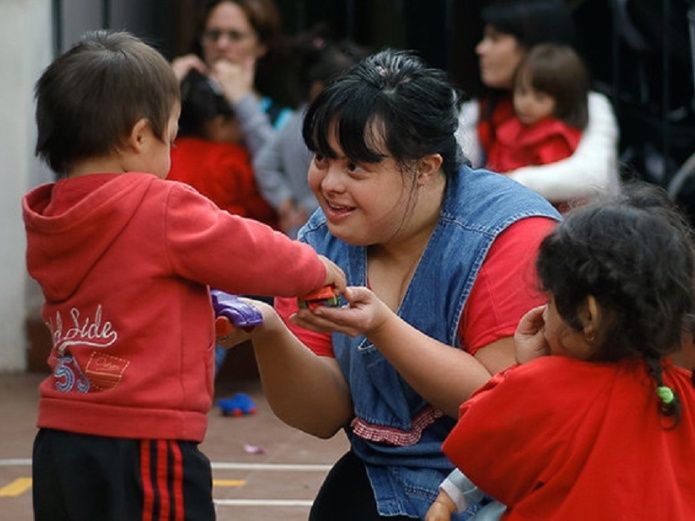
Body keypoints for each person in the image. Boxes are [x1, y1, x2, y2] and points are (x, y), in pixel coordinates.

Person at [221, 49, 561, 520]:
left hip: (503, 484)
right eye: (322, 158)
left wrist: (383, 327)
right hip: (382, 474)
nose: (328, 183)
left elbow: (504, 405)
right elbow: (322, 417)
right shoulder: (319, 240)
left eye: (356, 166)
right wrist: (270, 330)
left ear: (425, 168)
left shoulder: (511, 234)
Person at [24, 30, 345, 521]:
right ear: (138, 137)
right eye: (170, 137)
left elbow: (128, 288)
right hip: (144, 441)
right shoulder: (161, 204)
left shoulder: (51, 218)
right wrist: (314, 267)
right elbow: (247, 250)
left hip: (61, 438)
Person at [428, 183, 695, 520]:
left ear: (587, 316)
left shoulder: (548, 386)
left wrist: (522, 371)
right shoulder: (676, 390)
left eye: (550, 299)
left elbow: (479, 449)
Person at [457, 0, 620, 204]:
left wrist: (503, 183)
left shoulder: (591, 104)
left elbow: (593, 177)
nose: (480, 49)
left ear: (531, 45)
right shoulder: (480, 110)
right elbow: (454, 170)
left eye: (495, 39)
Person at [253, 31, 367, 237]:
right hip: (327, 226)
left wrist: (285, 200)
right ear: (317, 90)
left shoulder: (292, 123)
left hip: (301, 226)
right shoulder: (327, 127)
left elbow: (264, 163)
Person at [171, 0, 292, 157]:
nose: (222, 45)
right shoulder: (182, 99)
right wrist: (167, 89)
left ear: (262, 45)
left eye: (235, 36)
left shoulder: (284, 121)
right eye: (214, 35)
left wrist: (243, 102)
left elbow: (276, 169)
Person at [168, 69, 278, 227]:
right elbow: (268, 208)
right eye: (238, 119)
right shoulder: (231, 158)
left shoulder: (167, 154)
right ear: (218, 124)